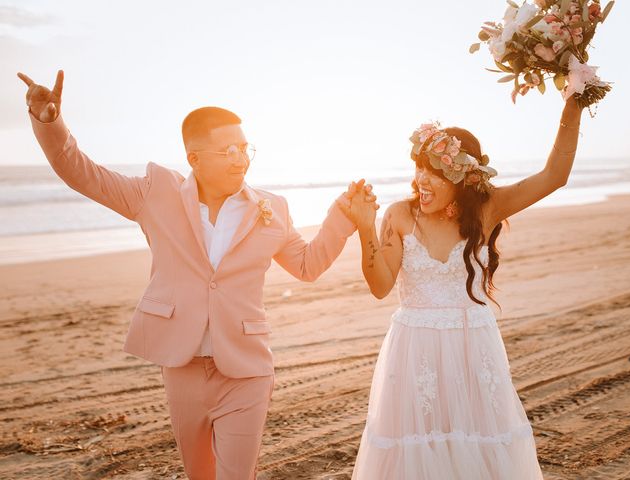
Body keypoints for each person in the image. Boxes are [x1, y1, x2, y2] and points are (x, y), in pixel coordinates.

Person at [17, 70, 375, 480]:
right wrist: (49, 121)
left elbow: (308, 265)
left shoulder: (271, 208)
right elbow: (82, 172)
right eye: (228, 150)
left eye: (244, 147)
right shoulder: (155, 192)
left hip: (246, 369)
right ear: (194, 158)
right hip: (182, 366)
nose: (240, 158)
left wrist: (341, 217)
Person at [342, 97, 583, 479]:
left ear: (463, 177)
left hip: (473, 346)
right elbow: (380, 286)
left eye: (434, 171)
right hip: (414, 348)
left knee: (480, 445)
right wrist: (364, 226)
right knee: (415, 450)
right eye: (419, 168)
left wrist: (573, 106)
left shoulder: (487, 209)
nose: (422, 179)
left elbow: (554, 176)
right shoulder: (400, 215)